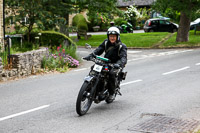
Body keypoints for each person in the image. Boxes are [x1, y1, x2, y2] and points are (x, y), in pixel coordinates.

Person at [83, 27, 127, 101]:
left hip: (115, 64)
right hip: (106, 62)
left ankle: (111, 93)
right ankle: (87, 89)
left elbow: (123, 58)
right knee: (94, 68)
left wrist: (118, 64)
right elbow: (99, 50)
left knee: (111, 74)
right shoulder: (106, 42)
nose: (112, 38)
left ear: (117, 37)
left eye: (114, 36)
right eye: (110, 36)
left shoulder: (122, 46)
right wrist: (91, 55)